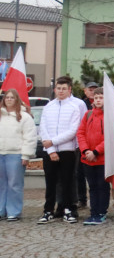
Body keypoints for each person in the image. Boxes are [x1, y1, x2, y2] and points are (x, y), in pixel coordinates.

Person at [37, 76, 87, 224]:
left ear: (69, 90)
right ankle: (48, 211)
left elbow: (73, 130)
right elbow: (43, 127)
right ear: (55, 89)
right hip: (49, 151)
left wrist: (53, 141)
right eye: (58, 88)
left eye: (64, 88)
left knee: (67, 181)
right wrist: (51, 148)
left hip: (67, 150)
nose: (61, 91)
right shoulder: (48, 107)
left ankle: (68, 209)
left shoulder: (74, 107)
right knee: (50, 181)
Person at [0, 89, 36, 221]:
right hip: (0, 154)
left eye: (12, 98)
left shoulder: (24, 117)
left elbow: (29, 137)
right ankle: (1, 210)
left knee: (14, 185)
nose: (9, 99)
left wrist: (25, 155)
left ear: (17, 100)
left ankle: (13, 212)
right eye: (7, 97)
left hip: (15, 155)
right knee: (1, 184)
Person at [76, 88, 109, 225]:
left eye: (101, 97)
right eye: (96, 98)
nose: (98, 100)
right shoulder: (88, 115)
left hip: (102, 159)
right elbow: (80, 133)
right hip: (87, 159)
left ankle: (102, 212)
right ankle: (93, 212)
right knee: (93, 186)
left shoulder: (108, 116)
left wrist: (96, 152)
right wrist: (86, 151)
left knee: (102, 185)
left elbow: (110, 137)